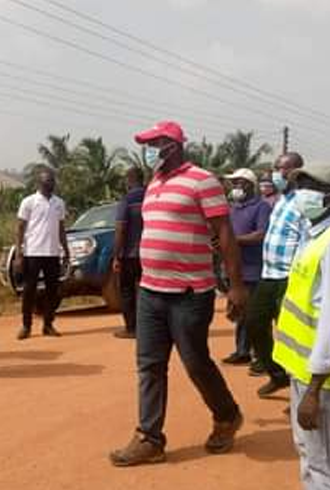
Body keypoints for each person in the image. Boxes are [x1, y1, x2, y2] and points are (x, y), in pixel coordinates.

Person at [110, 121, 247, 467]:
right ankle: (149, 438)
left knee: (196, 363)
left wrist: (236, 286)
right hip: (150, 291)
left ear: (173, 145)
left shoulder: (202, 181)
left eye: (155, 143)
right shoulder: (154, 182)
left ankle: (227, 415)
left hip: (189, 293)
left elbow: (225, 232)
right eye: (147, 144)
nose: (150, 149)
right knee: (149, 366)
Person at [272, 164, 330, 490]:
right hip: (304, 369)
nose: (300, 193)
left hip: (321, 378)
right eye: (299, 185)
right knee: (310, 454)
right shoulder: (316, 237)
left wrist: (314, 389)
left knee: (322, 464)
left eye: (309, 186)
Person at [244, 153, 305, 397]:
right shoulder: (281, 200)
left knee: (289, 335)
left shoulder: (304, 202)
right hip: (268, 275)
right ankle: (277, 375)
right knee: (254, 323)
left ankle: (302, 388)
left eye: (283, 169)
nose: (278, 174)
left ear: (297, 171)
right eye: (276, 169)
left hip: (289, 277)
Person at [221, 168, 272, 365]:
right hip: (235, 268)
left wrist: (234, 240)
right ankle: (242, 351)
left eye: (239, 183)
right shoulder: (233, 207)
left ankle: (262, 356)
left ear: (250, 185)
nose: (235, 187)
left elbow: (260, 234)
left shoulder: (262, 207)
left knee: (256, 314)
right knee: (240, 312)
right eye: (233, 183)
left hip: (254, 268)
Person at [14, 169, 71, 339]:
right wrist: (19, 253)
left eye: (52, 181)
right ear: (39, 183)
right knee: (29, 291)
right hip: (33, 252)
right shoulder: (28, 202)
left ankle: (48, 324)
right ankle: (26, 326)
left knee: (52, 291)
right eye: (47, 181)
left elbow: (61, 228)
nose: (51, 184)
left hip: (52, 253)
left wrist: (66, 249)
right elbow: (20, 228)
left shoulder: (59, 203)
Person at [112, 166, 146, 339]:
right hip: (150, 253)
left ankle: (131, 328)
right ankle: (150, 328)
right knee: (148, 291)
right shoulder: (151, 196)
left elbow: (120, 228)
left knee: (126, 291)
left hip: (130, 255)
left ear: (129, 180)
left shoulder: (127, 200)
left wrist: (116, 256)